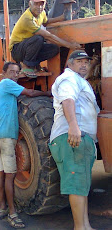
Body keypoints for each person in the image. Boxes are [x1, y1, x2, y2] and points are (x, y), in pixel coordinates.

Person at [0, 61, 51, 229]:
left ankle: (1, 207)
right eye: (11, 72)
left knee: (2, 173)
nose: (15, 75)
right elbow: (30, 93)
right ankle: (12, 213)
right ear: (4, 73)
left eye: (17, 72)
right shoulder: (7, 83)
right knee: (10, 176)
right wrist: (47, 93)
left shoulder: (3, 87)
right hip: (6, 137)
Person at [49, 50, 100, 230]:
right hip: (72, 137)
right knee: (77, 186)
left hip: (81, 137)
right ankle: (80, 228)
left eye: (86, 62)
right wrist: (73, 126)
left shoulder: (80, 81)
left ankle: (85, 226)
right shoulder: (68, 78)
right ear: (69, 64)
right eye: (79, 61)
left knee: (81, 186)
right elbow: (68, 100)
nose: (84, 64)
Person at [9, 0, 81, 78]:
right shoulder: (27, 19)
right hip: (17, 49)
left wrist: (62, 17)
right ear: (30, 4)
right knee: (39, 38)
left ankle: (34, 65)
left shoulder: (41, 12)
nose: (39, 7)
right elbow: (47, 35)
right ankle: (25, 65)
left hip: (28, 47)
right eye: (36, 4)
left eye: (41, 4)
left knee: (54, 49)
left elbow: (46, 22)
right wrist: (69, 45)